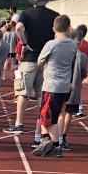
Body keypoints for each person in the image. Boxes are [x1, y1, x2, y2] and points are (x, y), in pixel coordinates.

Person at [3, 0, 59, 139]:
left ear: (34, 1)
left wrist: (24, 43)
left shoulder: (27, 14)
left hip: (29, 58)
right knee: (42, 94)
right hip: (46, 60)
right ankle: (40, 130)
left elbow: (19, 27)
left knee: (22, 92)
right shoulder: (54, 15)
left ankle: (19, 124)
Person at [33, 15, 78, 158]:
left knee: (47, 117)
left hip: (51, 86)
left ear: (54, 28)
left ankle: (51, 143)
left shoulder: (52, 44)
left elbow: (39, 62)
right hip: (64, 86)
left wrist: (47, 63)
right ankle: (49, 142)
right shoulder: (73, 45)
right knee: (53, 115)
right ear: (68, 28)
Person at [59, 29, 88, 151]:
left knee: (60, 112)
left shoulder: (63, 53)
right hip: (73, 89)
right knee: (68, 113)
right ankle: (63, 137)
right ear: (81, 41)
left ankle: (57, 137)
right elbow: (84, 74)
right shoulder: (83, 57)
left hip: (61, 86)